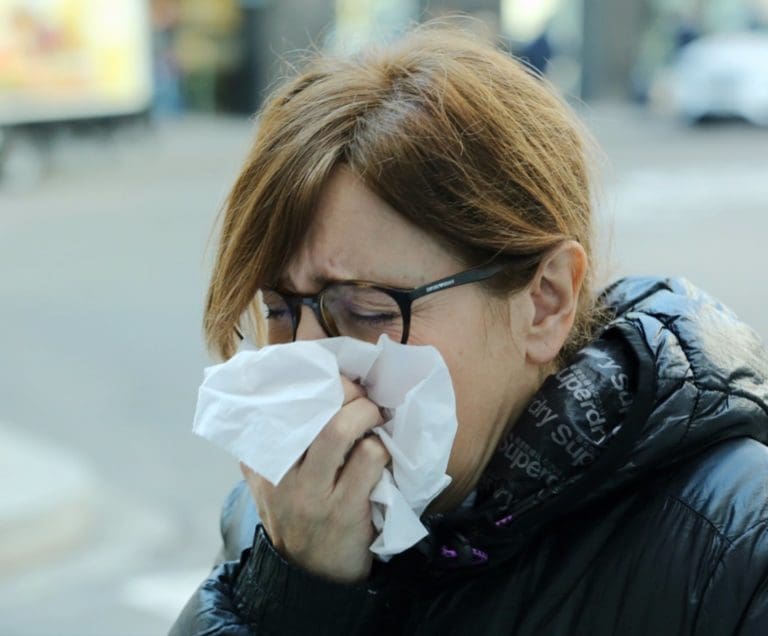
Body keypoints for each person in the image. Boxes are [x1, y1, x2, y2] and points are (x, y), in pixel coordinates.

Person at [170, 23, 768, 635]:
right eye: (278, 309)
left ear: (545, 302)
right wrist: (294, 590)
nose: (307, 361)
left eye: (369, 309)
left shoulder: (734, 552)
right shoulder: (282, 512)